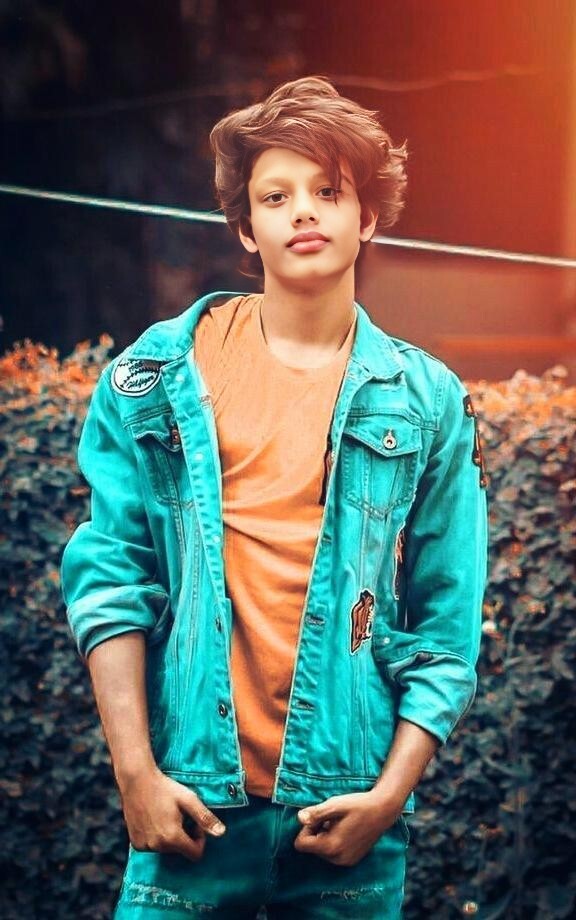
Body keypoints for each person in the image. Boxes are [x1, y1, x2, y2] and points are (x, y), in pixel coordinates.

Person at [61, 75, 488, 919]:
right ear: (245, 228)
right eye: (276, 196)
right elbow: (110, 579)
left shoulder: (429, 399)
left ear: (367, 217)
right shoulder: (157, 377)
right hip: (190, 803)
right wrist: (135, 775)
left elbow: (447, 623)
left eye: (329, 192)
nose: (303, 213)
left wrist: (388, 798)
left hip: (347, 809)